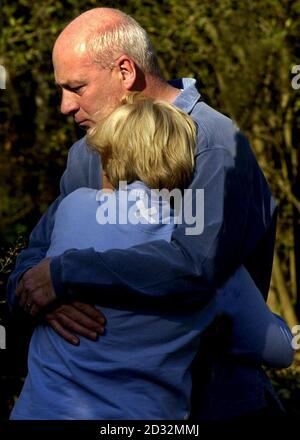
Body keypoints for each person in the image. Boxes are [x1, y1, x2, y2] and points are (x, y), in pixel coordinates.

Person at [7, 8, 288, 420]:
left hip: (209, 402)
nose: (65, 106)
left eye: (76, 87)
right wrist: (37, 296)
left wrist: (63, 275)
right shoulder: (85, 153)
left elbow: (197, 272)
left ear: (124, 71)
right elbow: (36, 257)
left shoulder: (214, 146)